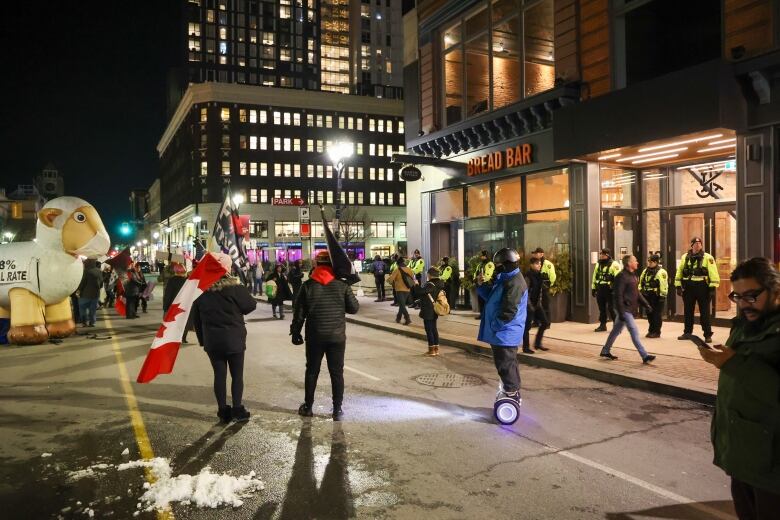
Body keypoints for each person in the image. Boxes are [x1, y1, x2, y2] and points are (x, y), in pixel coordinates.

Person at [697, 257, 780, 519]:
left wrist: (734, 363)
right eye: (738, 297)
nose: (745, 304)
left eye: (752, 296)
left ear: (775, 291)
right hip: (743, 457)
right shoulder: (745, 323)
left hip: (772, 467)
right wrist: (726, 357)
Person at [291, 251, 360, 421]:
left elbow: (299, 313)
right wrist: (348, 285)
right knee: (336, 373)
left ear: (316, 265)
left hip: (315, 336)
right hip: (336, 337)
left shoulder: (307, 286)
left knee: (312, 371)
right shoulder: (341, 285)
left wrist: (295, 332)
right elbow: (354, 308)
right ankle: (337, 409)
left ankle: (308, 407)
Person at [192, 253, 257, 423]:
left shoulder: (202, 290)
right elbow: (250, 306)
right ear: (227, 268)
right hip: (234, 339)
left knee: (219, 375)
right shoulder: (234, 287)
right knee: (237, 375)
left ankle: (222, 410)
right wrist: (241, 287)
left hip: (212, 340)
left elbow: (196, 319)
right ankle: (237, 409)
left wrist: (203, 340)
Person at [478, 248, 527, 405]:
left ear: (506, 264)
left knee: (505, 364)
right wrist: (481, 285)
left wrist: (495, 325)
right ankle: (511, 390)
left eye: (498, 265)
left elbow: (509, 310)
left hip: (505, 332)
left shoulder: (514, 282)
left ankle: (511, 392)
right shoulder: (506, 278)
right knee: (506, 363)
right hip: (503, 332)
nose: (496, 268)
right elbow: (492, 297)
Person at [599, 255, 656, 364]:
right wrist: (620, 312)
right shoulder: (621, 276)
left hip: (627, 309)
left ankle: (605, 350)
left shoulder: (633, 276)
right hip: (624, 310)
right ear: (629, 263)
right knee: (634, 331)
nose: (637, 263)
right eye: (635, 261)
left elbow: (637, 293)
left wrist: (646, 305)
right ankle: (644, 356)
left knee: (615, 331)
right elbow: (618, 295)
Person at [675, 237, 720, 343]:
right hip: (688, 287)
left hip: (703, 287)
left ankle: (707, 335)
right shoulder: (685, 257)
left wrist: (712, 288)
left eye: (700, 243)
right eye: (695, 243)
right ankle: (687, 333)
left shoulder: (708, 257)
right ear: (691, 245)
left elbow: (713, 273)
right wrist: (678, 286)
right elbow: (679, 272)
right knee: (688, 311)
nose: (698, 245)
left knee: (704, 312)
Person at [412, 267, 446, 356]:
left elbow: (419, 292)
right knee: (434, 329)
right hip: (435, 308)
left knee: (429, 329)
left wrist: (416, 284)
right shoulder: (440, 283)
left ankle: (431, 350)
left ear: (430, 275)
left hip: (428, 309)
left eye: (428, 274)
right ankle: (436, 348)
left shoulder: (430, 284)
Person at [523, 257, 550, 353]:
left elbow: (541, 290)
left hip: (537, 304)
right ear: (531, 265)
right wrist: (529, 305)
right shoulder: (528, 276)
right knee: (527, 327)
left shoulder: (539, 275)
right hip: (529, 305)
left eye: (540, 264)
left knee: (545, 323)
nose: (539, 265)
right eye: (537, 264)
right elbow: (524, 292)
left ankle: (537, 343)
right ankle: (525, 347)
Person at [639, 253, 668, 338]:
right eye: (649, 261)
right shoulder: (645, 271)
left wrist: (662, 296)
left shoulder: (661, 272)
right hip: (647, 295)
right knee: (649, 314)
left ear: (656, 262)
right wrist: (640, 291)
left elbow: (663, 285)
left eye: (651, 262)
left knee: (656, 314)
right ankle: (651, 330)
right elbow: (641, 282)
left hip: (657, 296)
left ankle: (656, 332)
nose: (649, 263)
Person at [591, 248, 621, 332]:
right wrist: (593, 288)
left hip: (610, 290)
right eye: (600, 254)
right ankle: (602, 325)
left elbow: (619, 278)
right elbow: (595, 276)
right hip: (600, 288)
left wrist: (616, 290)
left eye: (602, 254)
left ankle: (617, 326)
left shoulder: (614, 264)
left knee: (612, 308)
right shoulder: (598, 264)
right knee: (602, 309)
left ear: (607, 255)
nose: (600, 255)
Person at [163, 263, 192, 343]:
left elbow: (168, 294)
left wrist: (165, 307)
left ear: (175, 271)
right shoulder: (188, 280)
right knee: (184, 320)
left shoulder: (172, 280)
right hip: (185, 304)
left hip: (174, 304)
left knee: (175, 321)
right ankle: (183, 337)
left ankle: (175, 337)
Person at [387, 257, 415, 325]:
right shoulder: (409, 270)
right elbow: (412, 278)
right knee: (402, 304)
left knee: (402, 305)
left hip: (399, 290)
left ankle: (407, 318)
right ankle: (398, 318)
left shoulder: (397, 270)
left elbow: (390, 280)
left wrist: (391, 282)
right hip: (407, 289)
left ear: (398, 263)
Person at [77, 259, 103, 327]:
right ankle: (92, 322)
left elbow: (83, 282)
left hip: (85, 294)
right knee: (93, 310)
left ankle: (84, 322)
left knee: (82, 309)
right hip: (95, 294)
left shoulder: (86, 271)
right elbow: (101, 283)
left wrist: (79, 290)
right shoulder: (99, 271)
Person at [531, 247, 556, 318]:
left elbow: (552, 276)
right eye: (534, 253)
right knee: (536, 303)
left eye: (536, 253)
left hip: (545, 286)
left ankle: (547, 321)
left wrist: (549, 285)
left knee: (545, 304)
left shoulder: (547, 264)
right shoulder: (536, 263)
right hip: (537, 286)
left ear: (542, 254)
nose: (535, 255)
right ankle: (537, 321)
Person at [473, 250, 496, 320]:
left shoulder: (490, 264)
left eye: (483, 256)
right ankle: (482, 314)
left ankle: (488, 315)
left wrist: (482, 280)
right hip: (480, 285)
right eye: (481, 256)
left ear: (486, 256)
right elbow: (475, 273)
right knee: (481, 301)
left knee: (487, 301)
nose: (481, 257)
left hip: (487, 285)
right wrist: (475, 279)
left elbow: (488, 275)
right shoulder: (480, 264)